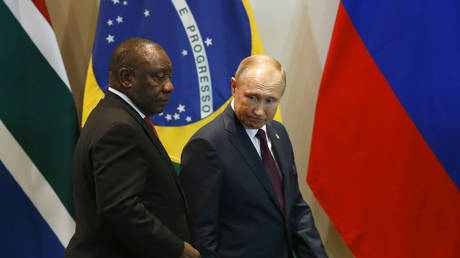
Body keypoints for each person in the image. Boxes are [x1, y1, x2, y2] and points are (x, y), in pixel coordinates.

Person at [179, 55, 328, 258]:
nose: (259, 111)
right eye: (252, 97)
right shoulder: (207, 145)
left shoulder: (278, 133)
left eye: (270, 101)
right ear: (234, 87)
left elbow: (294, 208)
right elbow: (201, 233)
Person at [65, 38, 200, 258]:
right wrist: (178, 249)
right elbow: (120, 209)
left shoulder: (113, 114)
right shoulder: (118, 128)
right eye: (159, 76)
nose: (169, 87)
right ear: (127, 78)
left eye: (169, 77)